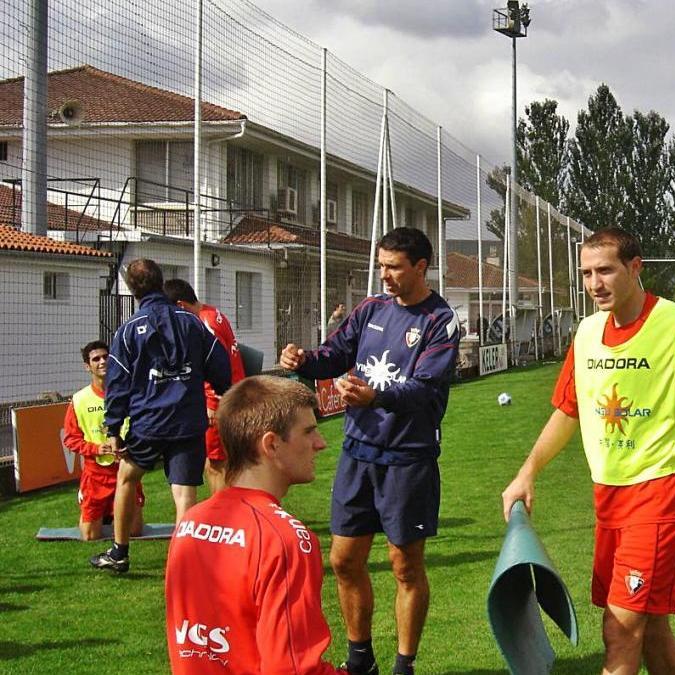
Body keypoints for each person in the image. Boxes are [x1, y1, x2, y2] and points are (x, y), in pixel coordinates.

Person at [501, 226, 675, 675]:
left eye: (605, 270)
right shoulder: (586, 333)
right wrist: (528, 470)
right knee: (653, 630)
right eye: (586, 273)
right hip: (609, 498)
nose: (594, 284)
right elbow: (567, 411)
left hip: (663, 493)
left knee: (620, 629)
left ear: (635, 268)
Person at [280, 227, 461, 675]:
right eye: (381, 265)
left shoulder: (441, 320)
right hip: (358, 452)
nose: (385, 275)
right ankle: (361, 659)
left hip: (407, 458)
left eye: (394, 266)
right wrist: (305, 360)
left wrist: (375, 398)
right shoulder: (370, 309)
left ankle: (404, 665)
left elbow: (424, 390)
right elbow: (336, 353)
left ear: (420, 267)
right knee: (343, 560)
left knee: (405, 566)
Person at [164, 376, 347, 674]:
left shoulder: (191, 522)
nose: (320, 443)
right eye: (309, 431)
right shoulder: (284, 539)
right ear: (271, 444)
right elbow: (291, 668)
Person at [90, 259, 232, 574]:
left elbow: (118, 383)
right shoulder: (192, 322)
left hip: (148, 423)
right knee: (184, 493)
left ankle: (119, 552)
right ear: (160, 281)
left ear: (131, 289)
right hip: (187, 422)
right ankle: (183, 563)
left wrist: (114, 427)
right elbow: (219, 362)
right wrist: (222, 389)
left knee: (126, 478)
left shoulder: (128, 331)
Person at [164, 278, 247, 491]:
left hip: (220, 402)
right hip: (230, 397)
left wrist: (211, 402)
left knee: (217, 465)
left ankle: (222, 517)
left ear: (181, 305)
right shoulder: (213, 314)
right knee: (219, 462)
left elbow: (215, 364)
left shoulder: (204, 323)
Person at [62, 340, 144, 540]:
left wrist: (132, 445)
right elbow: (71, 439)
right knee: (90, 536)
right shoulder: (80, 399)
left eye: (106, 357)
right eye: (95, 359)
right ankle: (98, 514)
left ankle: (114, 513)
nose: (102, 362)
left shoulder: (130, 393)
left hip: (126, 468)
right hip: (96, 474)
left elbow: (144, 425)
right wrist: (97, 449)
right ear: (87, 366)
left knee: (134, 532)